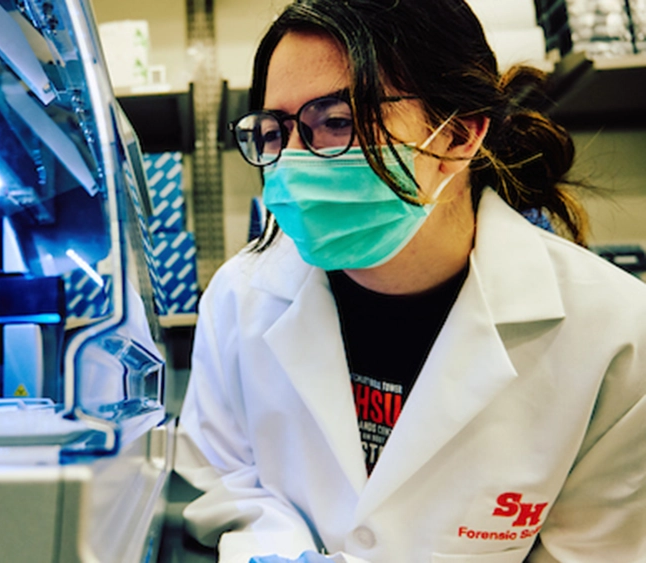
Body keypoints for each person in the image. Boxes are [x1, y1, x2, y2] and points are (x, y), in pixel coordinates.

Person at [173, 1, 646, 562]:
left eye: (337, 122)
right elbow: (222, 478)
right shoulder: (241, 297)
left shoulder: (617, 332)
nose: (293, 163)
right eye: (276, 131)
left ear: (459, 133)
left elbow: (598, 547)